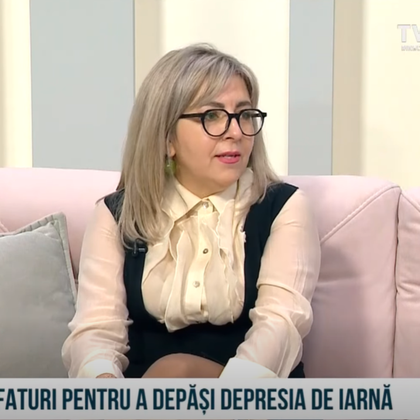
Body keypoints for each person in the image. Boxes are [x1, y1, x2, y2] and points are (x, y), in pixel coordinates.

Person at [62, 43, 321, 379]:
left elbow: (281, 324)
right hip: (143, 397)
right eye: (212, 116)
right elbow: (96, 332)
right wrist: (106, 389)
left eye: (244, 114)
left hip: (253, 391)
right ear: (167, 137)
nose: (236, 132)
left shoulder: (284, 208)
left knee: (176, 370)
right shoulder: (116, 215)